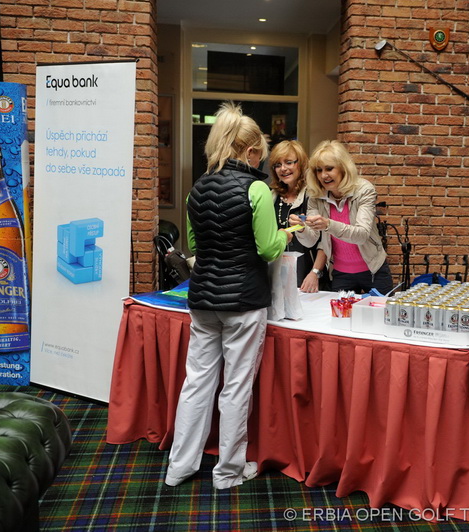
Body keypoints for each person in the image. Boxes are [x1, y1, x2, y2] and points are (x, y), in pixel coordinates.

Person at [165, 102, 291, 489]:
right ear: (251, 150)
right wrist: (288, 233)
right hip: (244, 301)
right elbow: (268, 249)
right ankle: (228, 472)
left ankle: (179, 467)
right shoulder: (256, 189)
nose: (261, 161)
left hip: (203, 298)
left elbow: (193, 244)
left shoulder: (197, 189)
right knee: (236, 388)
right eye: (260, 155)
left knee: (196, 383)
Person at [291, 140, 393, 295]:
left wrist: (328, 225)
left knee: (382, 311)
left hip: (373, 270)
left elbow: (361, 235)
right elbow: (311, 240)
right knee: (339, 311)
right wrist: (301, 229)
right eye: (319, 170)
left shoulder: (364, 190)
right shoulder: (315, 196)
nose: (323, 175)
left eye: (329, 168)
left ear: (343, 168)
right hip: (341, 273)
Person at [268, 140, 327, 293]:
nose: (283, 169)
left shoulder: (314, 195)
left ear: (300, 164)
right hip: (278, 276)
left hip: (308, 274)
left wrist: (315, 272)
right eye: (278, 165)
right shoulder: (271, 196)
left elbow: (326, 241)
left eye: (289, 162)